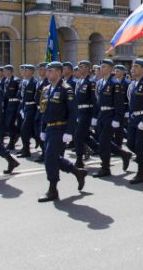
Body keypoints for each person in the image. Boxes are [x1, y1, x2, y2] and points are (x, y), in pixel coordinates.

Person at [37, 61, 87, 202]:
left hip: (60, 128)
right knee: (53, 157)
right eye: (47, 71)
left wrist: (69, 132)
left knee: (49, 158)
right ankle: (77, 172)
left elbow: (73, 112)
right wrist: (42, 129)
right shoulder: (46, 89)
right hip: (49, 128)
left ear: (59, 72)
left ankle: (53, 190)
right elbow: (43, 111)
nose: (47, 73)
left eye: (50, 70)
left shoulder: (66, 89)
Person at [91, 60, 132, 178]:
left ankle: (105, 167)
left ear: (110, 69)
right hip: (101, 115)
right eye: (101, 67)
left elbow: (119, 103)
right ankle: (123, 154)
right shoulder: (99, 83)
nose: (101, 69)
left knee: (104, 142)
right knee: (103, 141)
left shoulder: (115, 84)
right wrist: (95, 116)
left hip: (110, 115)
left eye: (104, 67)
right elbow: (97, 102)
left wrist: (117, 118)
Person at [74, 60, 99, 169]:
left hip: (87, 112)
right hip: (79, 112)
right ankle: (102, 150)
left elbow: (95, 101)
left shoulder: (91, 83)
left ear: (88, 69)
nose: (80, 68)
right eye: (79, 66)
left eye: (82, 66)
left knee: (78, 136)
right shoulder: (79, 82)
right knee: (85, 137)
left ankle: (79, 160)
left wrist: (94, 116)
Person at [18, 64, 38, 158]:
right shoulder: (24, 82)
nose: (24, 72)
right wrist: (22, 108)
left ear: (32, 72)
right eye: (24, 70)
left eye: (26, 70)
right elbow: (22, 97)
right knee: (29, 131)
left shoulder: (35, 83)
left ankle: (26, 150)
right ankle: (25, 148)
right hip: (25, 108)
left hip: (32, 108)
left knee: (24, 130)